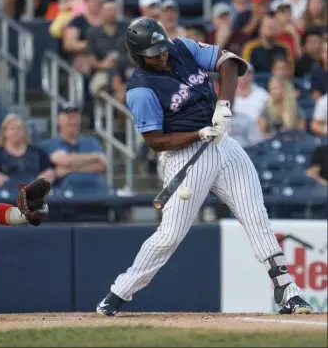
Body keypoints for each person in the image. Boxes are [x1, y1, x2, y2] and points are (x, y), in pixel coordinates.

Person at [96, 17, 312, 316]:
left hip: (222, 143)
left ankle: (288, 291)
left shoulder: (180, 47)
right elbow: (156, 141)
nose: (161, 55)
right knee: (170, 234)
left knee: (256, 217)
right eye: (153, 53)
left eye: (162, 48)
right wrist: (197, 134)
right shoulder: (140, 89)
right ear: (137, 55)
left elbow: (230, 62)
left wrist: (223, 106)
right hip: (185, 154)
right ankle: (119, 292)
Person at [42, 105, 107, 188]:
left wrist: (67, 170)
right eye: (69, 117)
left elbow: (102, 165)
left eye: (75, 117)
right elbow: (65, 161)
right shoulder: (50, 144)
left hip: (94, 190)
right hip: (65, 194)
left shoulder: (91, 141)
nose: (73, 121)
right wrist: (95, 157)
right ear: (59, 120)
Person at [0, 114, 55, 188]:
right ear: (5, 132)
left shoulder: (38, 151)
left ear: (25, 132)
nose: (16, 132)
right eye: (12, 129)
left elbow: (49, 171)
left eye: (19, 128)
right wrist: (10, 184)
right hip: (5, 192)